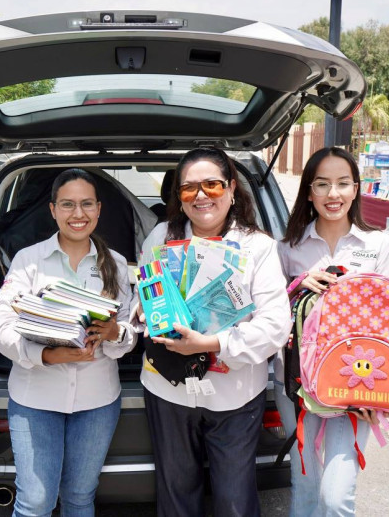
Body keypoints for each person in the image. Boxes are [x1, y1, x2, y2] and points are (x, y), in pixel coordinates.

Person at [138, 147, 291, 517]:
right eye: (189, 189)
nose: (201, 196)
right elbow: (141, 295)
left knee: (235, 500)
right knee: (175, 494)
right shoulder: (161, 236)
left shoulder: (259, 246)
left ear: (232, 188)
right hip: (168, 387)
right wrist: (146, 314)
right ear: (179, 197)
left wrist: (211, 343)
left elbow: (275, 326)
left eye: (212, 185)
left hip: (236, 394)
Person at [0, 168, 136, 517]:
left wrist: (115, 334)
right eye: (68, 204)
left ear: (99, 209)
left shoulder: (115, 264)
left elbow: (129, 332)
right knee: (35, 501)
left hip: (97, 400)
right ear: (53, 210)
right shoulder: (28, 260)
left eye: (86, 204)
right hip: (34, 397)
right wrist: (46, 355)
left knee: (81, 497)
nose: (78, 214)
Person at [274, 146, 389, 516]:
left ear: (356, 189)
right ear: (309, 191)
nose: (333, 194)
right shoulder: (286, 247)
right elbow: (269, 315)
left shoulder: (378, 245)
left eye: (343, 183)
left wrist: (378, 396)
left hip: (354, 387)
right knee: (306, 485)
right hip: (297, 383)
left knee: (336, 496)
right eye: (322, 184)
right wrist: (296, 285)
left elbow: (388, 323)